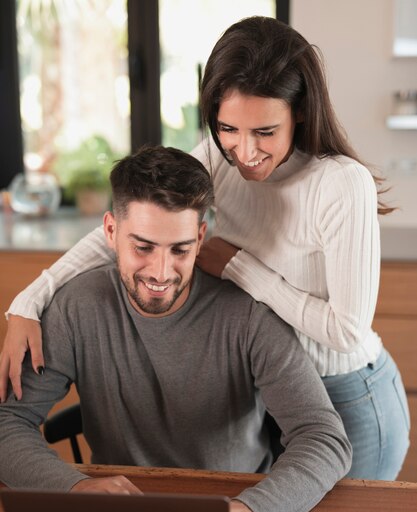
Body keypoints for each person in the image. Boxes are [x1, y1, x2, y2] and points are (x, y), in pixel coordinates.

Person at [0, 17, 409, 479]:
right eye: (228, 127)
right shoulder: (220, 157)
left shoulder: (339, 184)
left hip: (348, 394)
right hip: (273, 391)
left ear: (299, 111)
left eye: (264, 132)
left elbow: (347, 332)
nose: (244, 151)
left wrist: (239, 267)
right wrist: (28, 302)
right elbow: (131, 225)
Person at [0, 145, 352, 512]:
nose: (161, 273)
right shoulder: (75, 307)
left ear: (201, 236)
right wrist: (73, 487)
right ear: (111, 231)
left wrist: (255, 511)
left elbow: (323, 437)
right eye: (143, 247)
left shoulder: (249, 313)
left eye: (180, 250)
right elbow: (7, 423)